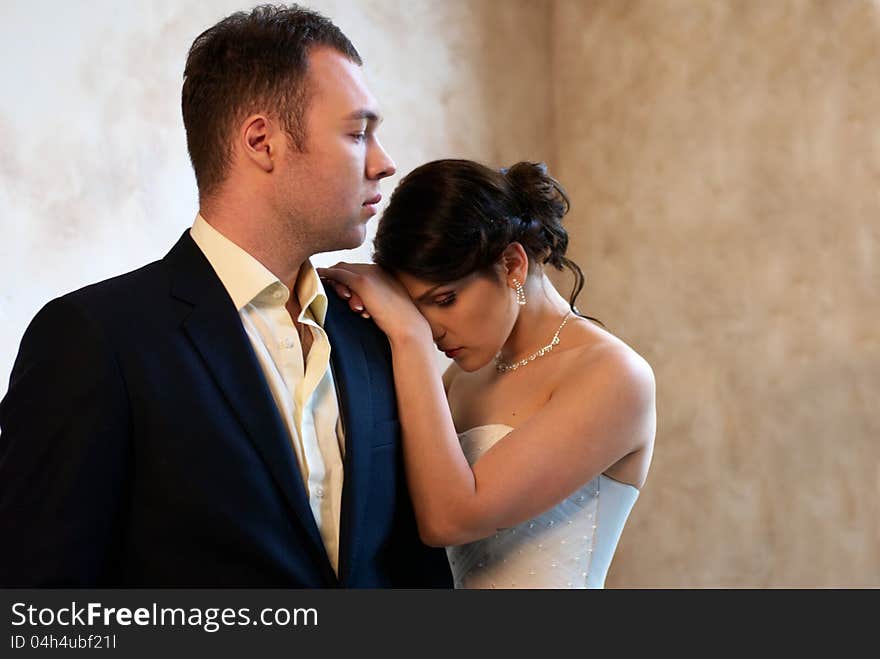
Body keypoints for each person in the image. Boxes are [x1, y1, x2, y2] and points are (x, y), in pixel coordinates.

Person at [0, 5, 452, 588]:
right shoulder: (95, 339)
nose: (384, 162)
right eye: (357, 132)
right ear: (262, 141)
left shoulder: (374, 330)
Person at [318, 159, 656, 588]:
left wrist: (409, 337)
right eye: (416, 308)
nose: (432, 328)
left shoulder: (614, 376)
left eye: (443, 299)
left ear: (512, 264)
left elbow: (450, 520)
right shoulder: (461, 378)